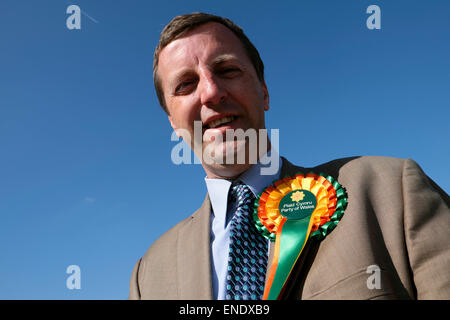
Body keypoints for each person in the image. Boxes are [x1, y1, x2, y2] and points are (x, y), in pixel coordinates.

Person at [129, 12, 449, 300]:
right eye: (186, 85)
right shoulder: (148, 276)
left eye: (227, 69)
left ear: (264, 92)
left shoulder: (393, 192)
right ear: (172, 122)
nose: (211, 92)